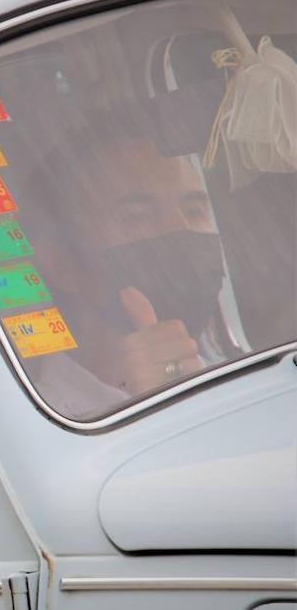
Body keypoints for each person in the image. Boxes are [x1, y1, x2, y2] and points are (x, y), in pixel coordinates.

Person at [21, 114, 235, 418]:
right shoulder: (46, 420)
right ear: (62, 265)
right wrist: (166, 405)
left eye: (194, 210)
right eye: (137, 218)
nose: (180, 229)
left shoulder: (234, 368)